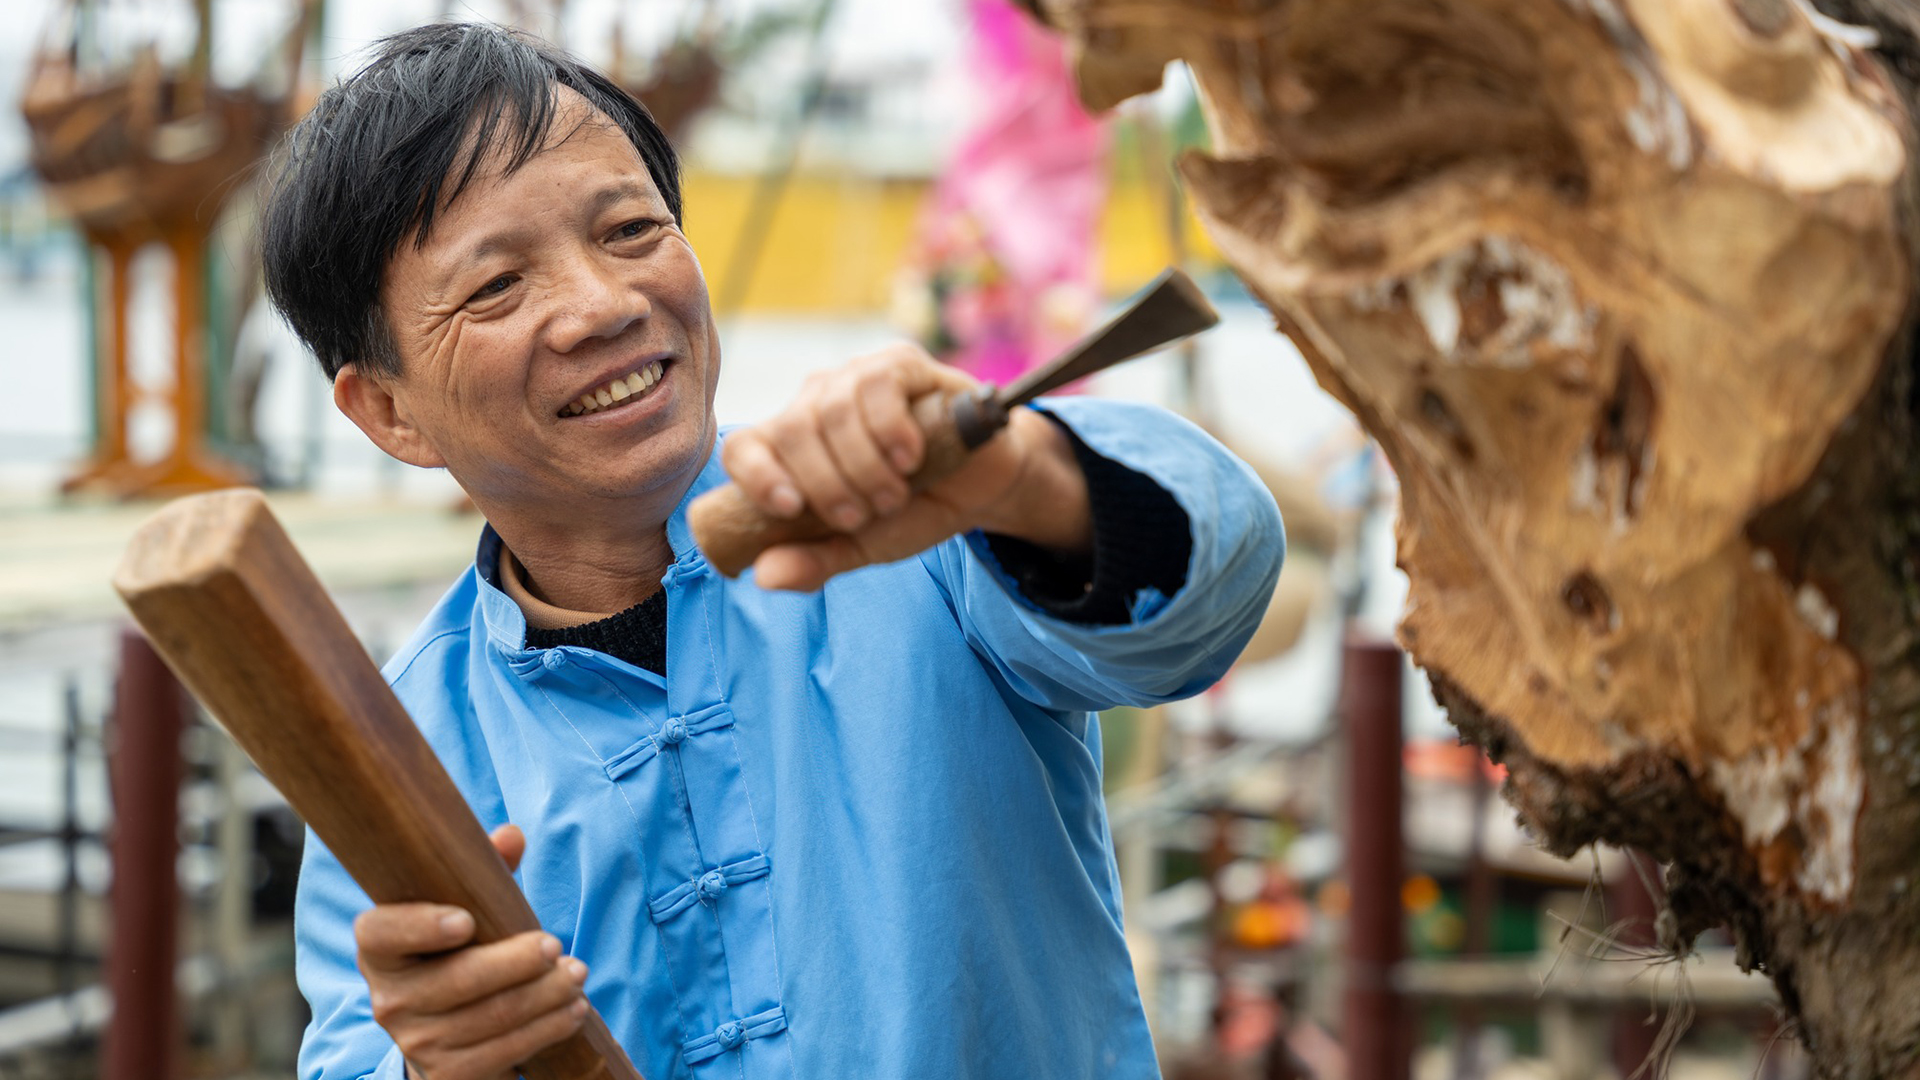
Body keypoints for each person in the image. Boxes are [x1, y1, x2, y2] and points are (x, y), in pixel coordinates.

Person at [262, 21, 1283, 1080]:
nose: (605, 306)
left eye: (628, 230)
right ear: (388, 412)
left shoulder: (923, 527)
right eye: (497, 287)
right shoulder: (399, 760)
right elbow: (353, 1055)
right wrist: (436, 1063)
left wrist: (1027, 479)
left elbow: (1218, 584)